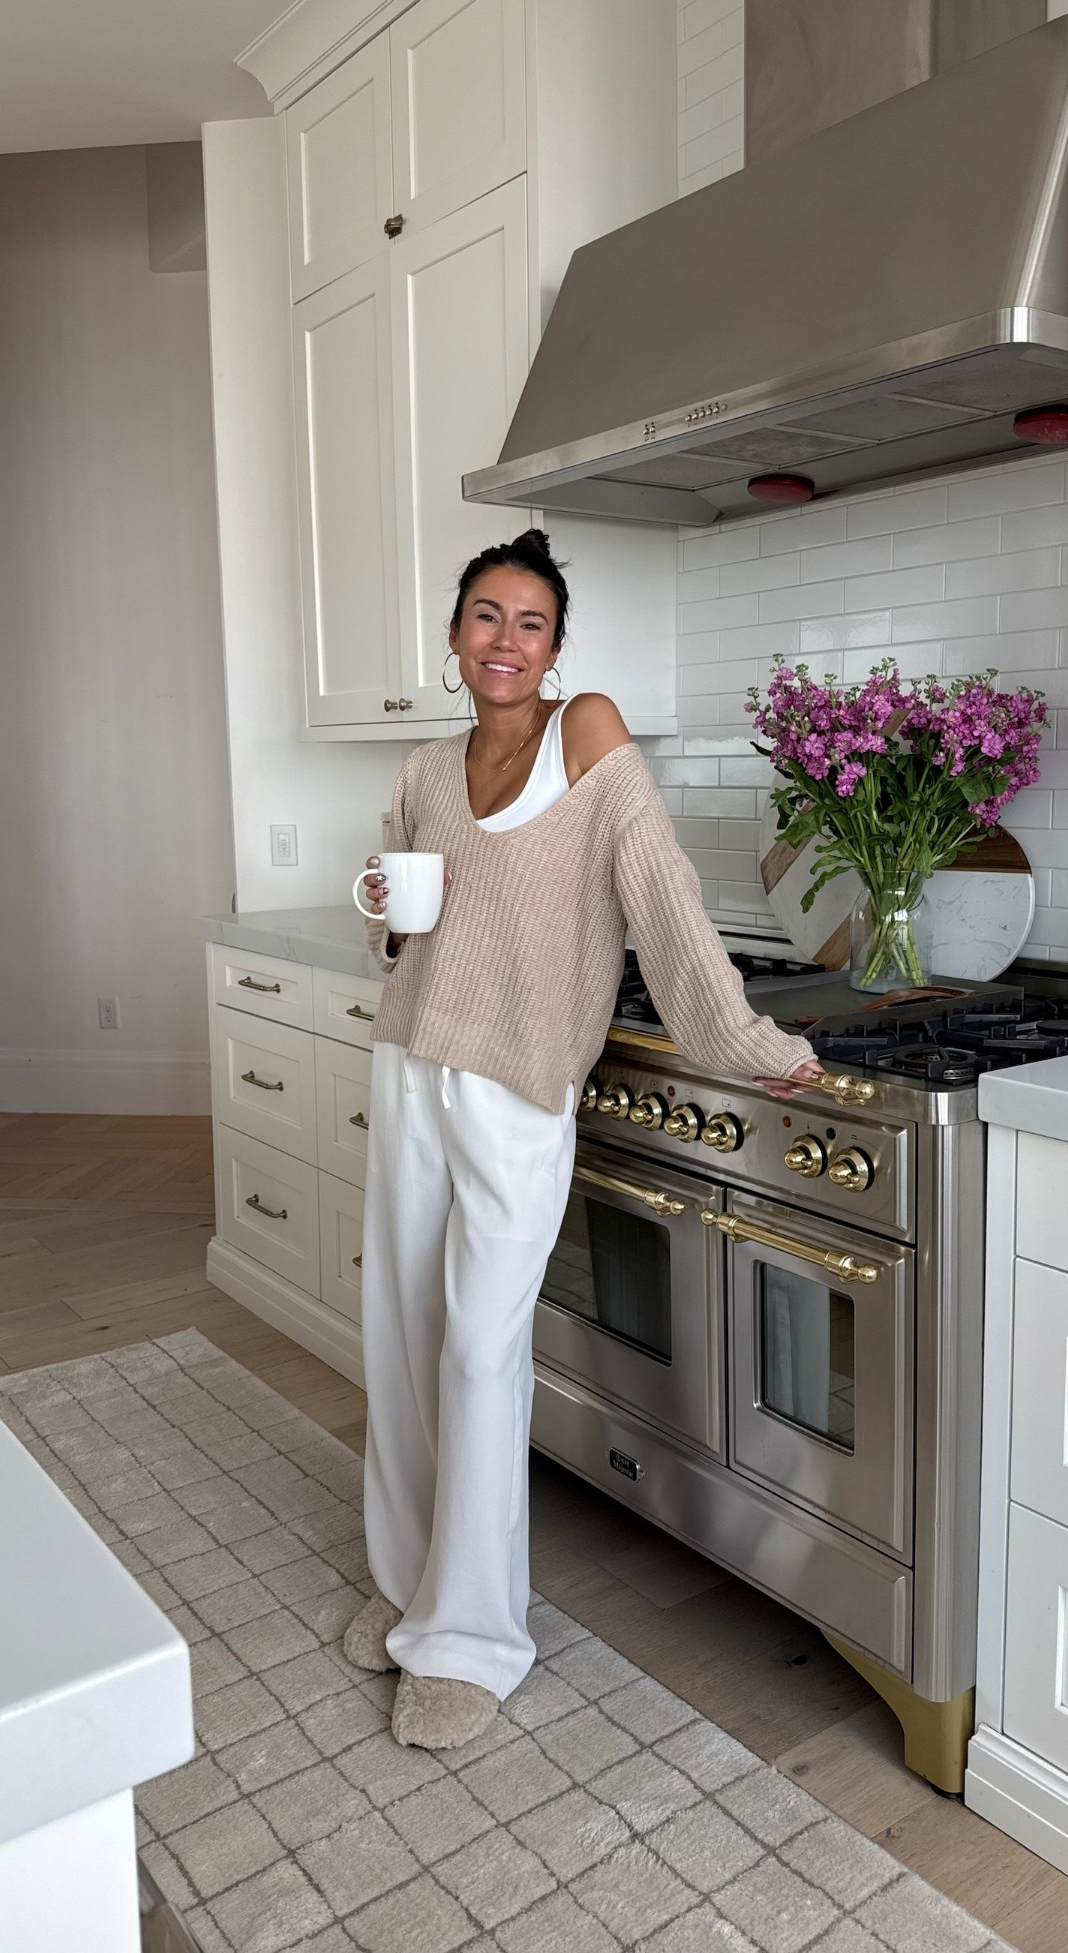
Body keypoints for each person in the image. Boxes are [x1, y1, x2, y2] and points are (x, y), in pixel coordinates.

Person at [343, 527, 823, 1752]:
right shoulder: (423, 765)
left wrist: (742, 1035)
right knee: (401, 1329)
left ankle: (471, 1638)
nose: (507, 641)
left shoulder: (588, 732)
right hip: (411, 1063)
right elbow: (400, 927)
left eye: (532, 623)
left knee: (479, 1353)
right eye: (486, 617)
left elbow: (660, 893)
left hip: (515, 1087)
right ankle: (408, 1587)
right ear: (453, 637)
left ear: (559, 646)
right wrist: (379, 913)